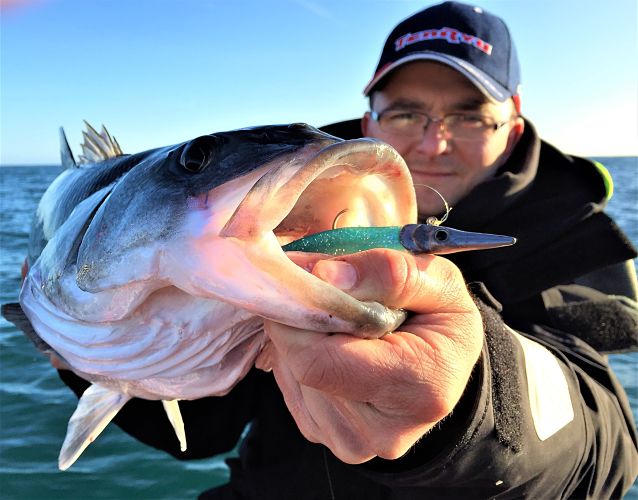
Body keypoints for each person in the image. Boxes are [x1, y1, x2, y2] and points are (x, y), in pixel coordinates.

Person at [59, 2, 638, 498]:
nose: (433, 141)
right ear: (371, 120)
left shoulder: (570, 235)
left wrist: (473, 398)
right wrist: (95, 351)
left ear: (511, 129)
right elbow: (203, 432)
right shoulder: (271, 205)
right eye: (407, 113)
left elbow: (609, 450)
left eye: (469, 117)